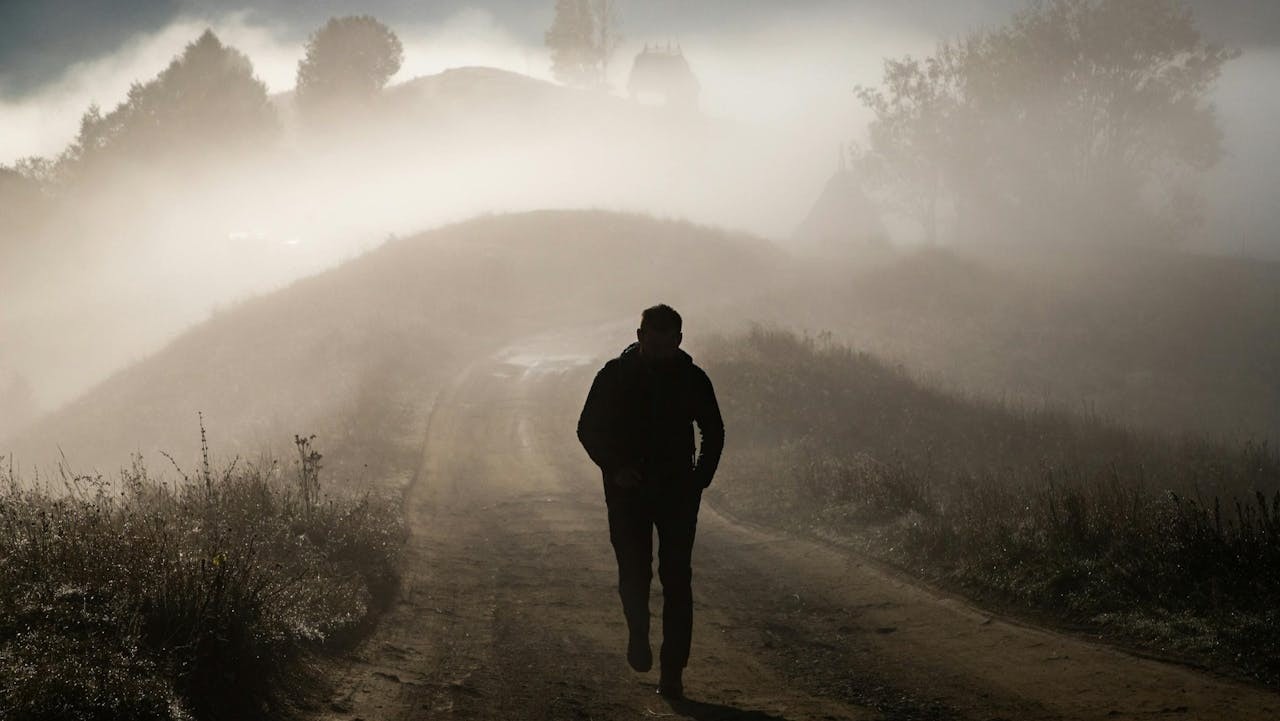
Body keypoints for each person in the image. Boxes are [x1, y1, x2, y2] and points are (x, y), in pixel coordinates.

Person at [576, 304, 725, 699]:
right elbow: (587, 428)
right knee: (634, 575)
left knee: (677, 580)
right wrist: (615, 468)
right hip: (627, 493)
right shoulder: (613, 375)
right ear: (639, 336)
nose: (659, 351)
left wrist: (699, 481)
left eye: (666, 343)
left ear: (679, 340)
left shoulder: (693, 379)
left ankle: (672, 673)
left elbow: (714, 430)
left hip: (678, 493)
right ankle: (638, 635)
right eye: (651, 342)